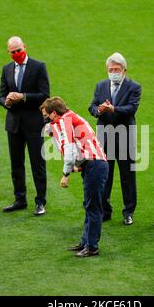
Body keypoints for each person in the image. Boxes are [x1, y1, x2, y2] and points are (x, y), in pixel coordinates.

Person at [41, 97, 108, 257]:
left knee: (93, 207)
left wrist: (65, 174)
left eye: (46, 115)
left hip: (94, 165)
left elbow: (70, 151)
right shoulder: (69, 117)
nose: (45, 119)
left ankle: (92, 247)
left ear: (54, 113)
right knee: (89, 204)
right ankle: (85, 242)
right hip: (92, 164)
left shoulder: (65, 121)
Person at [88, 53, 142, 226]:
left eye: (117, 70)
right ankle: (105, 210)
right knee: (105, 174)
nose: (113, 72)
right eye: (111, 69)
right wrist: (99, 110)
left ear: (124, 70)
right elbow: (92, 106)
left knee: (127, 175)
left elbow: (131, 109)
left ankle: (128, 212)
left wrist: (113, 109)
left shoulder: (134, 87)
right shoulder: (101, 85)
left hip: (125, 135)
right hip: (104, 136)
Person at [0, 36, 49, 216]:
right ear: (9, 52)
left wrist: (23, 96)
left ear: (24, 47)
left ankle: (40, 202)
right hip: (13, 125)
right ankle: (20, 199)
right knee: (16, 164)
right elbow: (1, 95)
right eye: (13, 52)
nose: (17, 54)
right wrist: (7, 102)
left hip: (34, 124)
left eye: (19, 50)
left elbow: (45, 94)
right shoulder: (6, 69)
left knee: (38, 164)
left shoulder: (38, 67)